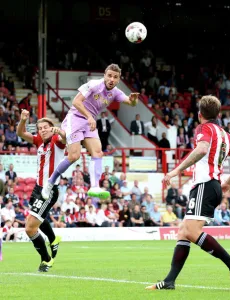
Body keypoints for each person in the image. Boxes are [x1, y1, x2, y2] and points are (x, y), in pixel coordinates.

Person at [146, 95, 230, 292]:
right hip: (212, 185)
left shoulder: (203, 128)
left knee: (192, 232)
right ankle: (169, 281)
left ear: (199, 114)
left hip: (204, 185)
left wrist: (176, 170)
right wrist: (227, 183)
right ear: (218, 114)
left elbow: (202, 149)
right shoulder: (226, 135)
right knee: (183, 232)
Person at [41, 64, 139, 200]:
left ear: (118, 80)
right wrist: (89, 117)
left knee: (98, 152)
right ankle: (50, 182)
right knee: (74, 156)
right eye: (109, 75)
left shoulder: (115, 92)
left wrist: (133, 101)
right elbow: (76, 102)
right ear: (104, 75)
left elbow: (130, 101)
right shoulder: (94, 84)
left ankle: (94, 186)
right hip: (75, 118)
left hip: (89, 121)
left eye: (115, 77)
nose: (112, 79)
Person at [17, 109, 65, 272]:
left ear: (52, 128)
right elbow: (21, 133)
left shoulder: (57, 141)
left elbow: (66, 139)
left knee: (30, 228)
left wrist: (60, 131)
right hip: (38, 187)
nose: (42, 130)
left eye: (46, 127)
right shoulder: (39, 141)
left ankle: (46, 260)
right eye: (40, 128)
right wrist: (23, 120)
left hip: (49, 189)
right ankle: (53, 238)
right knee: (36, 220)